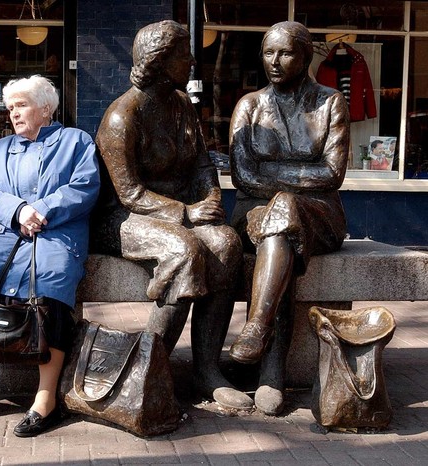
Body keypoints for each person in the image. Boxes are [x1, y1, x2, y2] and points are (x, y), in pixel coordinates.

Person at [92, 20, 252, 410]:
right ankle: (148, 371)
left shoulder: (182, 106)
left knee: (227, 243)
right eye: (183, 54)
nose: (192, 60)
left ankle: (206, 371)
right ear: (160, 62)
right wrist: (186, 213)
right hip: (124, 220)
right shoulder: (122, 117)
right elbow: (128, 193)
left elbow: (201, 164)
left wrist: (211, 198)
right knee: (183, 251)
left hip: (179, 213)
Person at [0, 75, 100, 434]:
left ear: (45, 108)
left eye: (21, 105)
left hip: (56, 234)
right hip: (5, 233)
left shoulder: (76, 142)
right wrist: (18, 211)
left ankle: (45, 399)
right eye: (10, 106)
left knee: (53, 284)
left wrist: (42, 210)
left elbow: (84, 187)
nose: (12, 112)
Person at [229, 21, 350, 415]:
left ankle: (258, 336)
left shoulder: (330, 103)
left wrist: (277, 180)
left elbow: (333, 173)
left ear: (306, 55)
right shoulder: (250, 105)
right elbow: (242, 175)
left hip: (321, 213)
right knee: (278, 233)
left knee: (281, 221)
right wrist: (293, 182)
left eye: (285, 53)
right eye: (268, 53)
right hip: (255, 211)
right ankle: (270, 371)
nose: (274, 62)